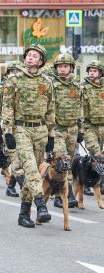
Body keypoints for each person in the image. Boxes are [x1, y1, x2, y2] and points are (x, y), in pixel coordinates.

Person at [1, 44, 55, 228]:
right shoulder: (14, 79)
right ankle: (40, 204)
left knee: (34, 173)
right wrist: (8, 132)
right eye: (29, 55)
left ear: (41, 61)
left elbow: (50, 110)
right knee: (31, 169)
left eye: (35, 56)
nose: (30, 58)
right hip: (20, 129)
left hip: (40, 130)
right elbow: (7, 107)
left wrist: (51, 135)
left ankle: (24, 214)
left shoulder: (47, 82)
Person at [50, 53, 81, 208]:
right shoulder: (51, 85)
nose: (62, 69)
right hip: (57, 128)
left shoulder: (77, 86)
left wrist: (80, 129)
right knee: (62, 160)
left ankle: (60, 192)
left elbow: (81, 107)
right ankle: (63, 194)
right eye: (60, 67)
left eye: (65, 66)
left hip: (73, 128)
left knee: (69, 161)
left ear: (71, 68)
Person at [0, 61, 25, 197]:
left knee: (20, 158)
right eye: (12, 71)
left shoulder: (24, 85)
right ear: (7, 73)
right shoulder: (3, 88)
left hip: (23, 127)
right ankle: (20, 185)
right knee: (15, 157)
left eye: (16, 71)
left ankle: (11, 185)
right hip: (8, 127)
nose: (14, 74)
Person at [81, 60, 104, 194]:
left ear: (100, 73)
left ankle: (91, 180)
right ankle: (97, 183)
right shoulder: (83, 88)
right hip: (89, 126)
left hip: (103, 125)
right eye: (90, 70)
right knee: (96, 154)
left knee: (97, 157)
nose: (91, 73)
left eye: (95, 71)